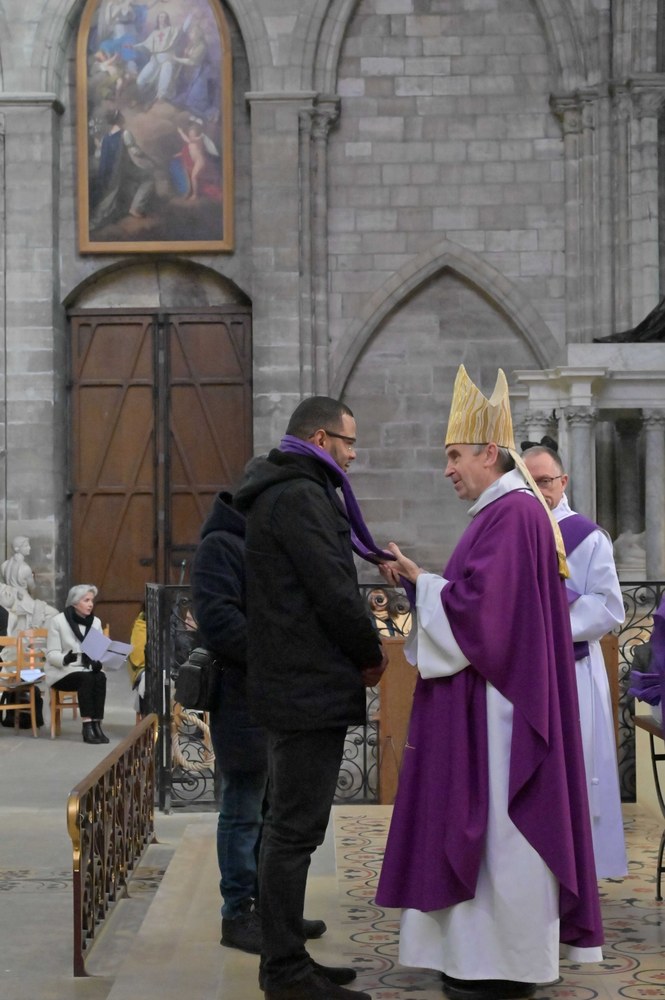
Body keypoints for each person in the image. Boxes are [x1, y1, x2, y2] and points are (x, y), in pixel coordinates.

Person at [375, 366, 603, 1000]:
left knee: (503, 833)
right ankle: (477, 958)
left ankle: (503, 965)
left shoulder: (513, 512)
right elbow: (481, 602)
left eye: (455, 455)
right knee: (487, 833)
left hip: (504, 711)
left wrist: (421, 582)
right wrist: (424, 582)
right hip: (495, 696)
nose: (447, 468)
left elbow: (484, 616)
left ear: (488, 452)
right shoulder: (504, 512)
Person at [234, 396, 390, 1000]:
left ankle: (288, 958)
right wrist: (370, 653)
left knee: (290, 829)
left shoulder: (289, 489)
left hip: (296, 682)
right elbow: (333, 589)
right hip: (306, 685)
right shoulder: (300, 495)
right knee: (293, 832)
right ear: (322, 439)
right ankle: (284, 972)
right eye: (349, 442)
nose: (353, 455)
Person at [190, 486, 327, 955]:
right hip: (241, 697)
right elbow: (218, 620)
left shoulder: (261, 543)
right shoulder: (220, 546)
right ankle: (238, 914)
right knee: (243, 809)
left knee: (273, 810)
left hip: (273, 696)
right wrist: (278, 654)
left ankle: (274, 911)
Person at [523, 442, 627, 878]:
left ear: (563, 482)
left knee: (576, 772)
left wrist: (547, 616)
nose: (539, 491)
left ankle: (577, 872)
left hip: (574, 669)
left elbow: (609, 607)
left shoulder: (587, 536)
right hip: (524, 673)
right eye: (528, 484)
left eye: (545, 481)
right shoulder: (516, 532)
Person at [45, 585, 109, 745]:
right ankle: (87, 725)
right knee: (86, 678)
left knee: (100, 677)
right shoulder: (58, 621)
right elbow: (51, 654)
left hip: (86, 668)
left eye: (92, 600)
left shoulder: (95, 622)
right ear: (74, 602)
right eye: (86, 600)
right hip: (63, 671)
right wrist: (65, 659)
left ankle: (96, 724)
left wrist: (98, 661)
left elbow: (98, 651)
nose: (90, 604)